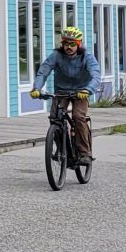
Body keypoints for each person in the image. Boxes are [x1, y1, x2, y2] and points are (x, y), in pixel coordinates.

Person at [31, 24, 101, 161]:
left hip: (81, 92)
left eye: (72, 44)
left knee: (78, 117)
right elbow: (43, 72)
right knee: (55, 118)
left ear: (78, 44)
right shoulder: (56, 55)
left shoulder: (87, 57)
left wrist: (88, 90)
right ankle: (60, 149)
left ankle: (84, 152)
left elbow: (96, 76)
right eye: (66, 44)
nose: (69, 47)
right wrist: (36, 88)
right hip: (61, 92)